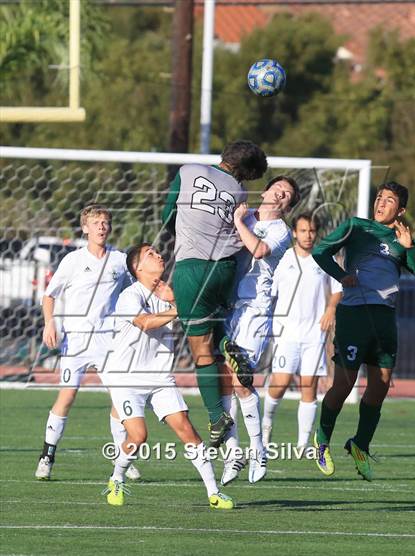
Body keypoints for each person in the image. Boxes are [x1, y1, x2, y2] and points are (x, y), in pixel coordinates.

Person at [101, 243, 234, 510]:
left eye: (157, 252)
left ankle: (214, 492)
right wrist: (180, 306)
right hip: (126, 378)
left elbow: (195, 322)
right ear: (138, 268)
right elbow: (146, 323)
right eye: (150, 254)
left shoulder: (170, 294)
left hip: (160, 377)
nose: (159, 255)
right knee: (138, 436)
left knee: (187, 429)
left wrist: (176, 300)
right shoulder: (130, 295)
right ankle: (116, 478)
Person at [162, 140, 267, 448]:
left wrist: (181, 231)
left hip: (192, 268)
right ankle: (228, 345)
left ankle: (215, 418)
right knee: (214, 332)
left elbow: (168, 215)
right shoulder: (239, 192)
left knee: (200, 351)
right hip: (224, 269)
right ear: (245, 173)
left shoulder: (188, 170)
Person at [311, 181, 415, 481]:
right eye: (379, 198)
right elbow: (321, 252)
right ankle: (322, 440)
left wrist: (410, 249)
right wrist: (341, 275)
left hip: (385, 319)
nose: (381, 203)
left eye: (389, 200)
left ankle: (360, 444)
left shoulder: (401, 239)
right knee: (344, 385)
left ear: (401, 210)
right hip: (355, 315)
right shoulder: (356, 227)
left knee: (381, 386)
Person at [35, 205, 139, 481]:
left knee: (120, 397)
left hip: (110, 340)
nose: (102, 227)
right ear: (85, 228)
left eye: (105, 222)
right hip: (77, 342)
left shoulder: (120, 259)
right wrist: (50, 323)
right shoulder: (72, 261)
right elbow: (49, 296)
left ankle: (122, 454)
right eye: (96, 223)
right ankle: (47, 456)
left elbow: (135, 290)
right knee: (67, 396)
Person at [219, 176, 300, 485]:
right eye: (278, 188)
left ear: (287, 205)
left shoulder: (281, 231)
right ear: (266, 191)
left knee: (241, 379)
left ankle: (257, 449)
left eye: (287, 195)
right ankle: (233, 452)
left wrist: (239, 221)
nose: (280, 194)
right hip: (227, 307)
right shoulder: (245, 214)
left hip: (255, 308)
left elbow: (259, 250)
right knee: (224, 383)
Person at [261, 213, 342, 452]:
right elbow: (269, 291)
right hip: (286, 332)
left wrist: (330, 308)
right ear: (294, 233)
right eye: (303, 230)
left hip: (314, 334)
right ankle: (266, 426)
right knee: (281, 383)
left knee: (310, 385)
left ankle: (303, 443)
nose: (308, 235)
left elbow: (337, 288)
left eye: (312, 231)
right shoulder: (283, 258)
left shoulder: (324, 259)